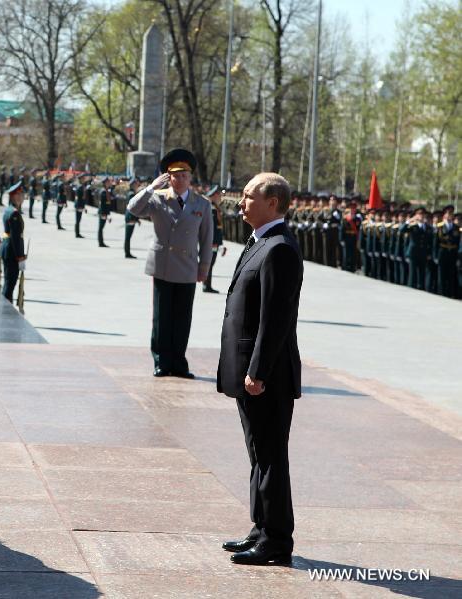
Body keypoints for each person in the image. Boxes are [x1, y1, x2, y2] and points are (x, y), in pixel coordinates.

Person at [217, 172, 303, 566]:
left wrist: (259, 371)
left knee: (270, 455)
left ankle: (277, 539)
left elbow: (275, 320)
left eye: (249, 196)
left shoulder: (280, 248)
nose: (241, 202)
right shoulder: (260, 242)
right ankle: (261, 527)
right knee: (258, 452)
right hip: (251, 370)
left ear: (273, 202)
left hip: (266, 376)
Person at [126, 148, 213, 378]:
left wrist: (204, 267)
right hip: (163, 265)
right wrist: (151, 187)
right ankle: (161, 361)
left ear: (190, 177)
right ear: (168, 177)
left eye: (184, 175)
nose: (180, 180)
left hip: (187, 267)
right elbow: (132, 208)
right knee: (162, 318)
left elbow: (206, 239)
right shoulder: (157, 198)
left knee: (182, 318)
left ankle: (179, 362)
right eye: (175, 176)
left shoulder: (201, 204)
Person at [0, 181, 27, 301]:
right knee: (10, 284)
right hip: (12, 252)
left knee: (8, 282)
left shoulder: (9, 210)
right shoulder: (14, 213)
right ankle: (6, 309)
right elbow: (16, 238)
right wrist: (20, 257)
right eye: (20, 194)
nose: (23, 197)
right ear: (14, 196)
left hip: (8, 249)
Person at [204, 185, 227, 292]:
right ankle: (206, 285)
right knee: (210, 263)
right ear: (213, 196)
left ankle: (207, 284)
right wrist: (214, 242)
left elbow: (218, 228)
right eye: (218, 194)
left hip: (214, 242)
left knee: (211, 263)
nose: (220, 196)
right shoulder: (212, 210)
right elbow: (212, 228)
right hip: (212, 242)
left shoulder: (215, 208)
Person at [434, 205, 460, 297]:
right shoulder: (439, 226)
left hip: (452, 253)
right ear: (444, 215)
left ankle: (449, 293)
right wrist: (435, 256)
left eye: (451, 213)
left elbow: (457, 243)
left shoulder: (456, 227)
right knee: (441, 274)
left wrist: (457, 257)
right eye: (448, 213)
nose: (450, 215)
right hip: (442, 252)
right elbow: (435, 243)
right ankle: (441, 293)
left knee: (451, 274)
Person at [123, 177, 141, 258]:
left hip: (131, 217)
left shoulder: (131, 193)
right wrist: (136, 218)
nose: (138, 185)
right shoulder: (132, 194)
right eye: (136, 183)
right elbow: (133, 208)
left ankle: (127, 252)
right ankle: (127, 253)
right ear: (133, 185)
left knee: (128, 236)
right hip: (130, 217)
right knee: (128, 236)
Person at [98, 175, 114, 248]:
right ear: (105, 183)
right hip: (103, 212)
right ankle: (101, 242)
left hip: (105, 212)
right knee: (101, 228)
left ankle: (101, 242)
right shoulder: (103, 192)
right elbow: (102, 204)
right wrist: (103, 214)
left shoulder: (107, 190)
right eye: (108, 182)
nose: (109, 183)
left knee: (101, 228)